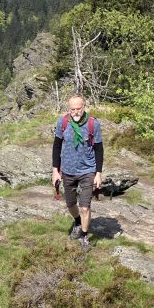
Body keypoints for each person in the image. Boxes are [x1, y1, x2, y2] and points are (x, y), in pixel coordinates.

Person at [51, 93, 103, 252]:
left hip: (88, 170)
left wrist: (98, 173)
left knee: (85, 207)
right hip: (67, 170)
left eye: (78, 108)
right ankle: (77, 221)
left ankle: (84, 236)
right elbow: (57, 146)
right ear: (69, 109)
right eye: (72, 109)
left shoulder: (94, 124)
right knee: (70, 204)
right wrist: (55, 171)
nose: (75, 111)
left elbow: (99, 149)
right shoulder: (63, 122)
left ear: (84, 107)